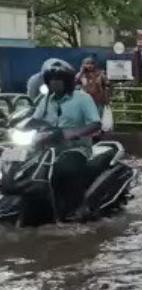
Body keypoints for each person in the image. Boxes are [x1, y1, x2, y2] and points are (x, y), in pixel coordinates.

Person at [32, 64, 102, 220]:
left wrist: (73, 133)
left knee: (65, 169)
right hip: (47, 149)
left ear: (68, 82)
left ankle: (78, 207)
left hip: (76, 148)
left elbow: (96, 124)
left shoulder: (82, 98)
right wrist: (20, 125)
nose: (54, 84)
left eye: (59, 80)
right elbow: (35, 120)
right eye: (51, 80)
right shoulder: (46, 100)